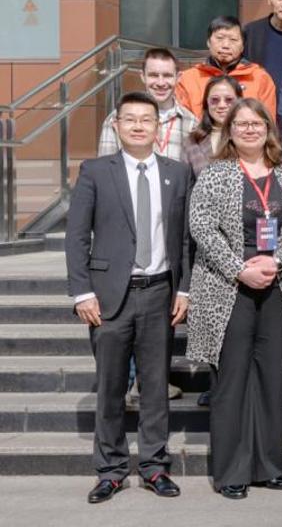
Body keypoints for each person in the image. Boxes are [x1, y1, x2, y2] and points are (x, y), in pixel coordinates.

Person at [65, 91, 192, 504]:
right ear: (116, 126)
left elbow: (184, 239)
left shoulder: (177, 173)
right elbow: (76, 236)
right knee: (110, 387)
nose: (138, 125)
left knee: (155, 387)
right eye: (130, 119)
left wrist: (184, 288)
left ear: (158, 127)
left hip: (159, 293)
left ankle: (155, 467)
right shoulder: (95, 171)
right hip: (108, 299)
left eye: (146, 119)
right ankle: (111, 470)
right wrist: (82, 291)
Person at [186, 99, 282, 499]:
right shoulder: (215, 173)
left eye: (257, 123)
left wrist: (278, 262)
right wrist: (240, 269)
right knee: (232, 379)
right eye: (241, 124)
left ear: (269, 129)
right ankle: (231, 471)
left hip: (276, 286)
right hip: (228, 287)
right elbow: (201, 226)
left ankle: (268, 465)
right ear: (230, 131)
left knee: (270, 377)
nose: (250, 129)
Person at [98, 48, 198, 161]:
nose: (160, 83)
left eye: (167, 75)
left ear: (178, 78)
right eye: (153, 75)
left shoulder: (191, 123)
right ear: (143, 76)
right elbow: (105, 167)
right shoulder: (116, 119)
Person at [175, 15, 278, 118]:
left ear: (243, 46)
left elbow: (268, 121)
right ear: (208, 42)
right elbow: (182, 121)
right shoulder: (188, 78)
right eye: (219, 38)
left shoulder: (259, 77)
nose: (225, 45)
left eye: (233, 40)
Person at [183, 75, 240, 177]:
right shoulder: (192, 142)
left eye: (229, 100)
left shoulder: (249, 137)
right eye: (215, 100)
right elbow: (186, 183)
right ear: (207, 103)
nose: (222, 105)